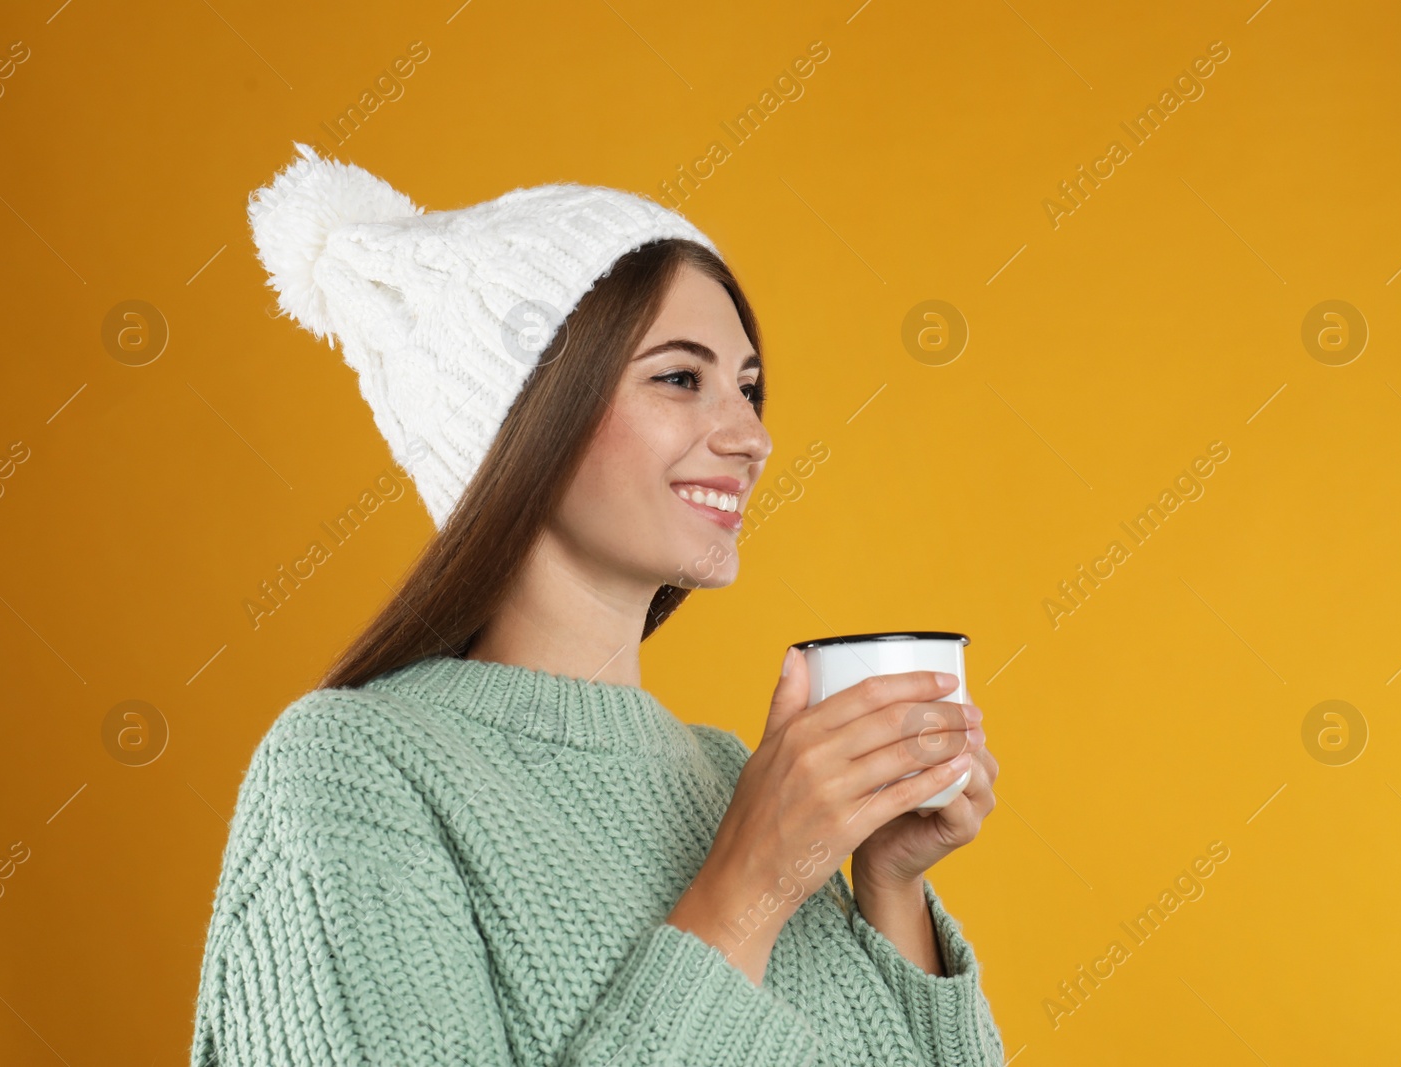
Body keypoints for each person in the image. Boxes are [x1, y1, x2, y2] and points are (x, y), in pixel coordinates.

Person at [188, 143, 1005, 1066]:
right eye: (678, 377)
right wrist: (747, 889)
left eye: (749, 388)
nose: (751, 437)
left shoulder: (730, 775)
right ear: (527, 416)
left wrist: (889, 882)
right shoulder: (353, 770)